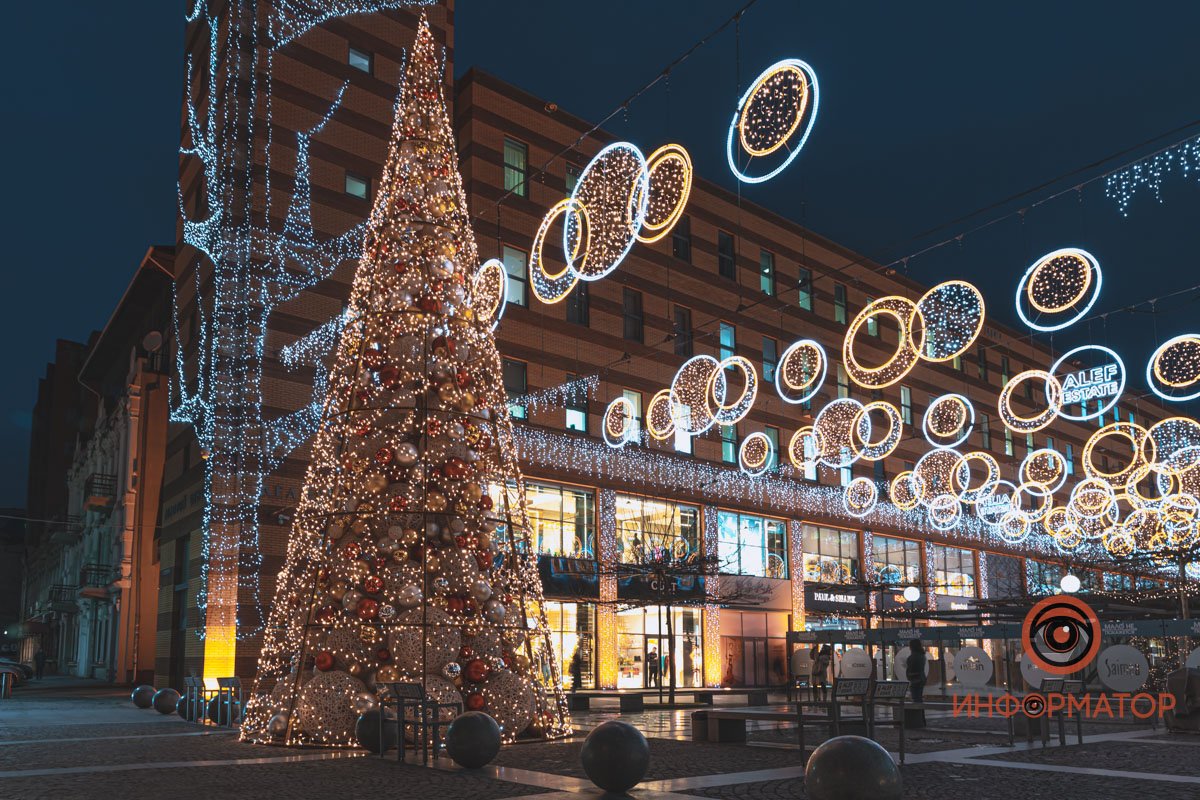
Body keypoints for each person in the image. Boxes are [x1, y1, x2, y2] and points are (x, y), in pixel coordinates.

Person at [906, 639, 928, 704]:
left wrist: (909, 675)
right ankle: (921, 713)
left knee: (916, 699)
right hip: (921, 678)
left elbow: (910, 669)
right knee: (919, 698)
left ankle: (918, 713)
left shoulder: (912, 657)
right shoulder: (922, 655)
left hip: (915, 680)